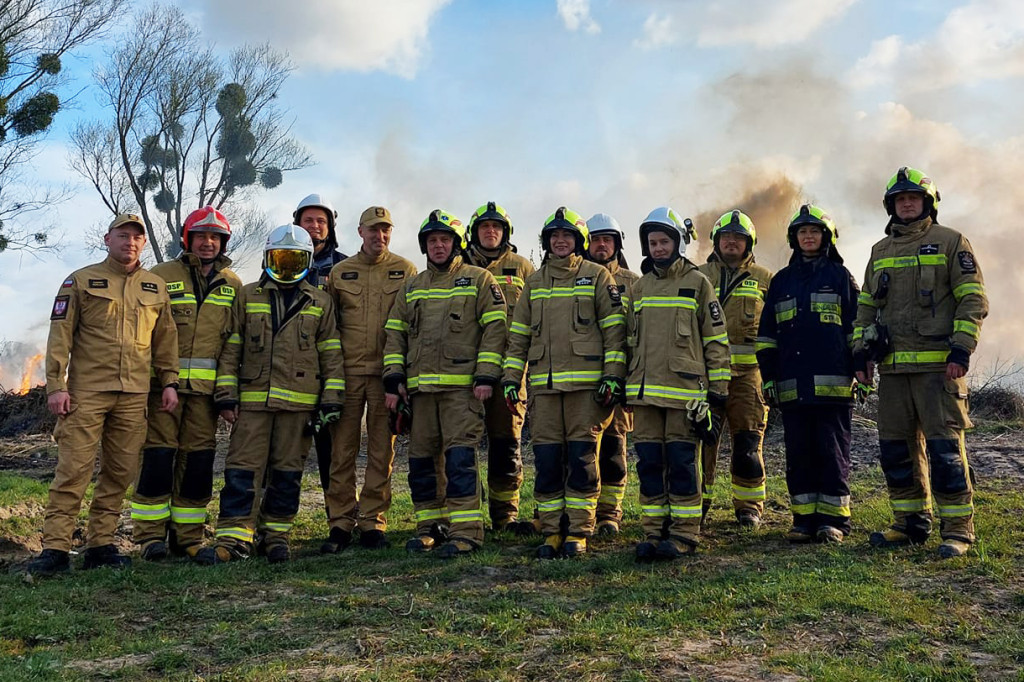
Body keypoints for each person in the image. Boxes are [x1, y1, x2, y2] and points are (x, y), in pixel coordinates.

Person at [28, 213, 179, 576]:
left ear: (143, 244)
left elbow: (166, 339)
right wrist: (56, 386)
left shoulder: (155, 287)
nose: (130, 242)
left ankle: (101, 544)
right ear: (107, 238)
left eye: (136, 237)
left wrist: (170, 381)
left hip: (133, 396)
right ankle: (55, 549)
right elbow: (60, 336)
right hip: (86, 394)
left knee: (119, 472)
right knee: (73, 472)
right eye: (123, 235)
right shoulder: (80, 281)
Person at [854, 167, 988, 559]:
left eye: (913, 198)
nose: (907, 203)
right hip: (893, 372)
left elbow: (973, 299)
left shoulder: (951, 242)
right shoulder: (879, 251)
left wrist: (961, 349)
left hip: (937, 370)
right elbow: (866, 308)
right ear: (891, 206)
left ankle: (959, 529)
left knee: (946, 449)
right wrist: (862, 353)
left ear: (928, 203)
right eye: (900, 199)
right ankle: (909, 522)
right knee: (895, 449)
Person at [194, 225, 345, 565]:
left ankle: (276, 536)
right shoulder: (247, 296)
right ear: (267, 258)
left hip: (299, 406)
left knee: (287, 474)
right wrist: (226, 394)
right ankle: (234, 538)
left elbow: (331, 353)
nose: (288, 267)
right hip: (253, 404)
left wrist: (332, 398)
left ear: (307, 261)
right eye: (281, 259)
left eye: (295, 260)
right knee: (242, 472)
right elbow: (231, 349)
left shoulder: (321, 302)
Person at [502, 207, 626, 559]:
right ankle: (552, 531)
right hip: (544, 390)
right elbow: (519, 338)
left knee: (583, 461)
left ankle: (579, 531)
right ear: (546, 241)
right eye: (554, 236)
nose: (560, 241)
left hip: (587, 394)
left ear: (578, 241)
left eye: (567, 236)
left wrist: (612, 378)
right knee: (548, 462)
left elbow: (615, 334)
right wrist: (512, 380)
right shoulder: (535, 282)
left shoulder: (598, 276)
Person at [383, 210, 507, 558]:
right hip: (421, 394)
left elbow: (496, 331)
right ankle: (430, 528)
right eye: (432, 241)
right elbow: (395, 334)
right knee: (422, 463)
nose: (438, 246)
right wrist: (394, 379)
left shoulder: (479, 280)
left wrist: (486, 376)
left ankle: (466, 532)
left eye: (445, 240)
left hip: (462, 392)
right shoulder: (413, 285)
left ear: (457, 243)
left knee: (460, 461)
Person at [131, 206, 242, 561]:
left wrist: (226, 394)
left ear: (223, 242)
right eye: (200, 236)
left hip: (206, 397)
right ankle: (150, 537)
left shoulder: (234, 285)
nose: (207, 243)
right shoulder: (160, 276)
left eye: (214, 237)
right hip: (164, 390)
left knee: (198, 464)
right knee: (158, 458)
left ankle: (188, 537)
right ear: (187, 239)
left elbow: (233, 345)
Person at [627, 207, 730, 561]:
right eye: (652, 242)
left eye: (664, 241)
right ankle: (653, 532)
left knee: (683, 462)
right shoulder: (639, 288)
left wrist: (718, 392)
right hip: (645, 396)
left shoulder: (698, 283)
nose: (657, 248)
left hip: (685, 396)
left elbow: (716, 340)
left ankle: (685, 533)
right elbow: (630, 341)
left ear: (679, 243)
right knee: (650, 463)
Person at [757, 205, 859, 544]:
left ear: (826, 237)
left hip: (833, 387)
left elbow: (855, 329)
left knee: (831, 452)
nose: (809, 237)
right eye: (802, 232)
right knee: (799, 454)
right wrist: (769, 377)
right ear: (794, 239)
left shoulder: (841, 278)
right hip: (791, 386)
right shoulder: (781, 282)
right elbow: (768, 336)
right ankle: (803, 519)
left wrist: (860, 368)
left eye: (814, 231)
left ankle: (834, 521)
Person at [320, 207, 416, 553]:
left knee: (381, 452)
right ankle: (341, 522)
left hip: (385, 377)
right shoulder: (341, 272)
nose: (380, 236)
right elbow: (328, 329)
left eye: (386, 230)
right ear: (360, 232)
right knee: (341, 451)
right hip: (346, 374)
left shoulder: (404, 270)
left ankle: (373, 521)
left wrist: (400, 377)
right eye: (373, 230)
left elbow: (410, 326)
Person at [696, 210, 773, 528]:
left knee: (747, 445)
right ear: (715, 241)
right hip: (705, 378)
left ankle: (749, 507)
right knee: (701, 444)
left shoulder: (766, 279)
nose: (732, 242)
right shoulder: (697, 277)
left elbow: (774, 330)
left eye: (738, 237)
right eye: (726, 236)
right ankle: (697, 503)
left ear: (749, 243)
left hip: (748, 378)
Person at [462, 202, 536, 532]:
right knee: (460, 444)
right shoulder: (457, 266)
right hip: (463, 371)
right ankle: (464, 512)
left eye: (497, 227)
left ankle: (504, 515)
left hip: (510, 371)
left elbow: (538, 314)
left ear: (506, 233)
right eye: (484, 227)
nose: (490, 232)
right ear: (473, 233)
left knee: (506, 442)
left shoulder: (522, 267)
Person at [293, 193, 348, 516]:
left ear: (330, 227)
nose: (315, 226)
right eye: (308, 220)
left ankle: (338, 519)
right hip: (292, 373)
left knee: (334, 452)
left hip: (331, 371)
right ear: (297, 223)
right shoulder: (278, 261)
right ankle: (275, 520)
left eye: (321, 221)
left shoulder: (346, 267)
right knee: (285, 451)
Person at [585, 212, 640, 536]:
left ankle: (609, 513)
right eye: (595, 239)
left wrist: (630, 382)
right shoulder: (575, 278)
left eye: (607, 239)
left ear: (617, 244)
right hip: (580, 379)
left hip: (620, 381)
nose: (601, 245)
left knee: (613, 450)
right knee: (579, 451)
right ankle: (583, 511)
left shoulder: (634, 283)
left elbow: (638, 334)